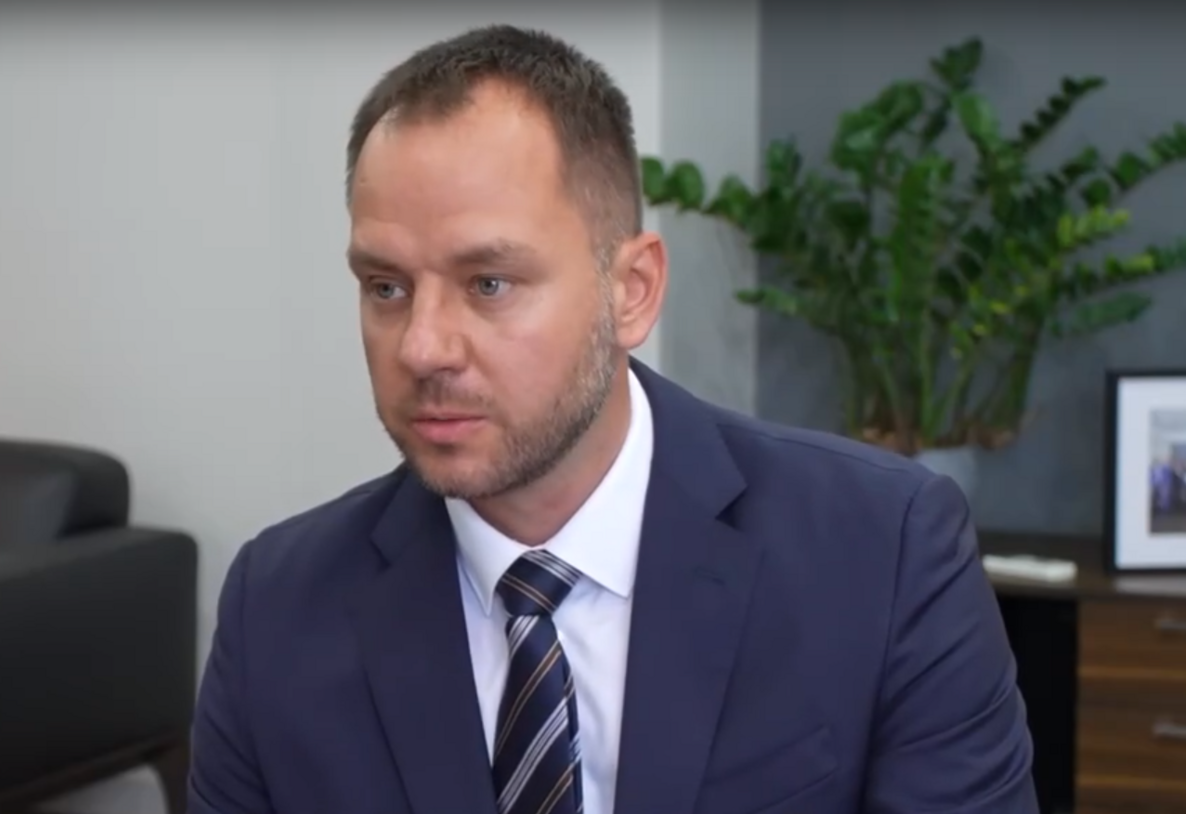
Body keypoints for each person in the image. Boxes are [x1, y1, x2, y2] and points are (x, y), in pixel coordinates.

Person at [187, 24, 1038, 814]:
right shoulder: (278, 610)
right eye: (386, 287)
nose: (422, 347)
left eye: (489, 283)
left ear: (631, 292)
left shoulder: (883, 552)